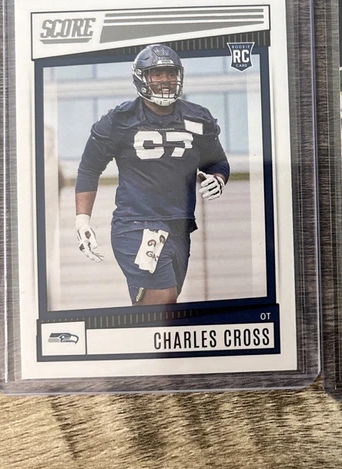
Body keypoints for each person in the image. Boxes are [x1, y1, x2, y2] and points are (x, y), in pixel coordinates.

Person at [74, 44, 229, 306]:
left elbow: (218, 162)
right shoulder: (119, 119)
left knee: (160, 307)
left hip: (180, 225)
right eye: (157, 74)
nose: (165, 80)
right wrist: (82, 220)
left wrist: (218, 179)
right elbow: (89, 167)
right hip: (136, 225)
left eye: (170, 73)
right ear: (142, 77)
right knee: (163, 303)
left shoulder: (198, 117)